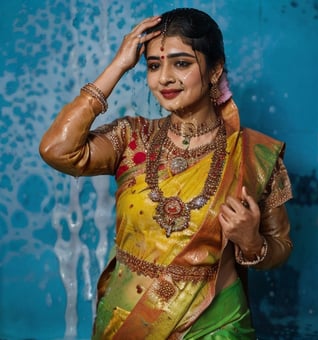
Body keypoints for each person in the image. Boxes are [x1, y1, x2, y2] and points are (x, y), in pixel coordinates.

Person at [39, 8, 293, 339]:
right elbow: (56, 150)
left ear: (215, 70)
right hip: (128, 320)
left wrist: (251, 242)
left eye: (182, 63)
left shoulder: (254, 154)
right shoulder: (131, 138)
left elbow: (281, 247)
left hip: (216, 327)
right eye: (154, 66)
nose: (165, 78)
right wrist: (117, 66)